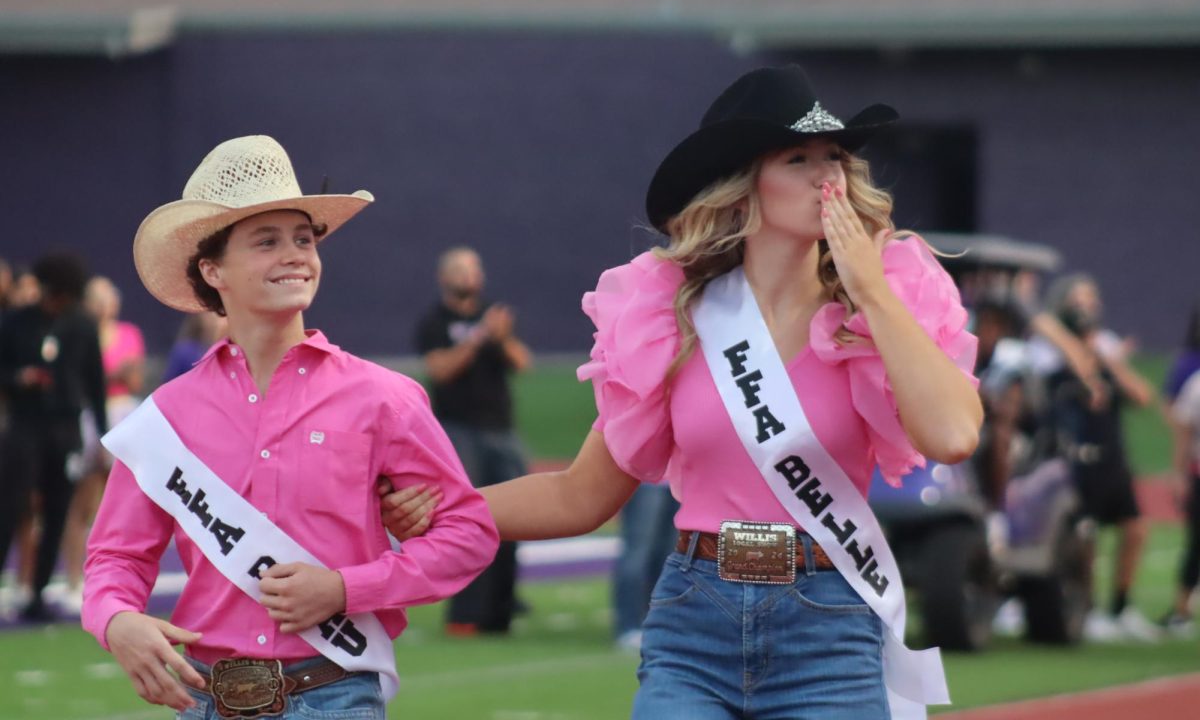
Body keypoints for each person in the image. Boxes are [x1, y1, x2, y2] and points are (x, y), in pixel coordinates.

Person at [386, 65, 982, 719]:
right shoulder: (674, 316)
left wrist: (870, 290)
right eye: (797, 158)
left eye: (834, 156)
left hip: (830, 626)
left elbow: (953, 436)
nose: (828, 177)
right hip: (695, 623)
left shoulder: (886, 307)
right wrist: (444, 505)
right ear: (743, 187)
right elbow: (578, 496)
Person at [81, 135, 498, 718]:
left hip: (335, 694)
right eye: (267, 241)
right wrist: (117, 620)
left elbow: (468, 533)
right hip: (202, 700)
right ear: (212, 270)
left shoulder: (385, 398)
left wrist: (345, 590)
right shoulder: (168, 415)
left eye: (304, 239)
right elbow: (115, 557)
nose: (296, 255)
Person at [414, 246, 532, 635]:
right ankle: (464, 614)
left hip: (501, 429)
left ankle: (502, 610)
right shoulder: (435, 321)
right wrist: (480, 337)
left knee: (514, 518)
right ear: (444, 277)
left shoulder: (494, 315)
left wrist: (501, 338)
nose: (470, 277)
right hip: (458, 432)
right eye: (462, 271)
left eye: (474, 270)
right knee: (468, 520)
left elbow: (521, 363)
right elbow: (442, 370)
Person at [1035, 274, 1159, 642]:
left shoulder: (1105, 349)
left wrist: (1113, 362)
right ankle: (1082, 609)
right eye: (1079, 300)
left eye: (1092, 299)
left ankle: (1120, 608)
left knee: (1135, 527)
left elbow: (1141, 396)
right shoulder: (1048, 350)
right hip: (1074, 456)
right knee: (1081, 537)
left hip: (1111, 455)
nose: (1087, 307)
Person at [0, 253, 107, 622]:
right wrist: (19, 378)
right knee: (10, 507)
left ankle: (38, 594)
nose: (59, 302)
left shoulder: (82, 325)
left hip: (65, 427)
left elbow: (96, 383)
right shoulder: (15, 322)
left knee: (58, 510)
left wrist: (105, 436)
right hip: (25, 425)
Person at [55, 276, 148, 614]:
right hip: (88, 416)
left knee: (124, 505)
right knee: (82, 502)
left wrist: (110, 377)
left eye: (108, 298)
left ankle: (121, 588)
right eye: (97, 299)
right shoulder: (78, 332)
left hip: (122, 413)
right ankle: (73, 581)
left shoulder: (129, 334)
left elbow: (134, 378)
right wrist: (110, 376)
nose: (104, 305)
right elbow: (76, 379)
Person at [1161, 309, 1200, 637]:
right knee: (1196, 542)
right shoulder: (1196, 384)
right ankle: (1182, 608)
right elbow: (1183, 432)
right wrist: (1179, 475)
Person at [612, 482, 679, 652]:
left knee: (669, 554)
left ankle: (658, 622)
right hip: (647, 478)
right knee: (638, 551)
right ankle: (629, 626)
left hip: (680, 478)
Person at [161, 311, 228, 384]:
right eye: (208, 312)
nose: (213, 318)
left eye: (219, 313)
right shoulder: (185, 351)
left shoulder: (229, 351)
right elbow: (169, 384)